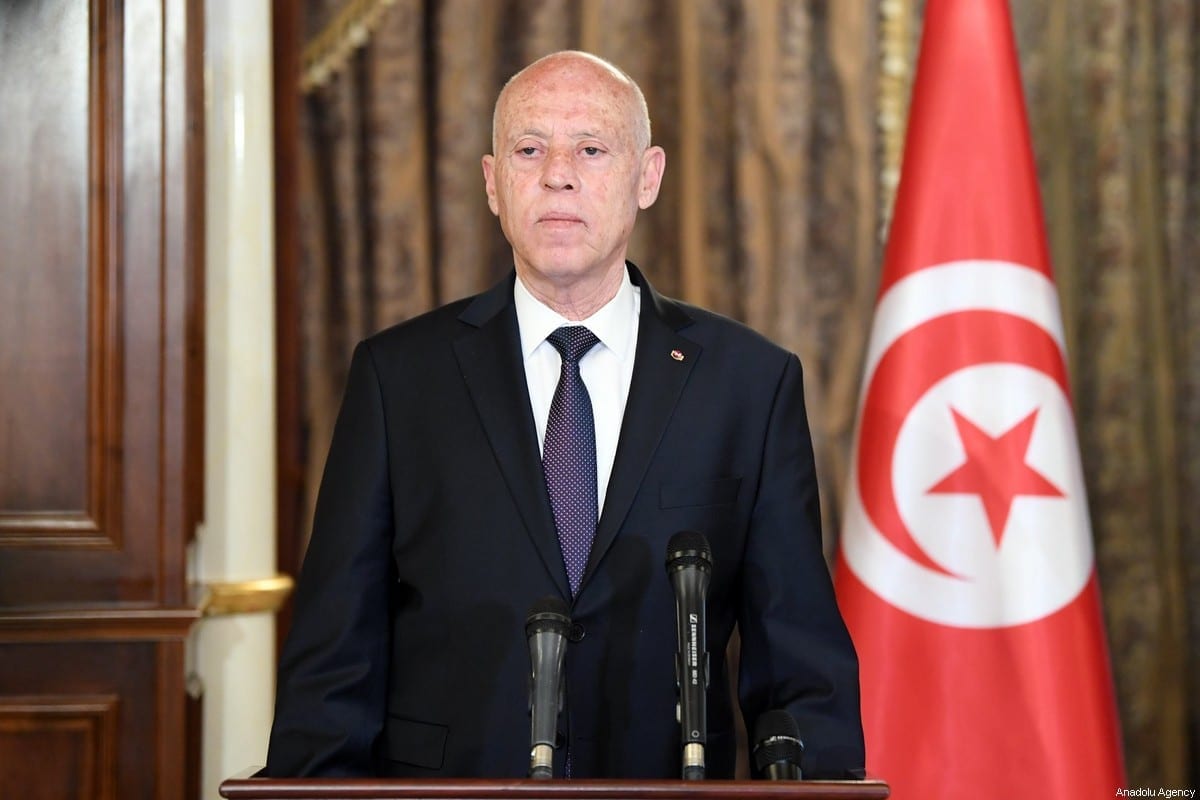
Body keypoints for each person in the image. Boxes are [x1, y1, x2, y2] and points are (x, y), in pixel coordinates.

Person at [264, 50, 864, 780]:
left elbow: (801, 669)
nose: (558, 174)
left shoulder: (748, 383)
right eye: (529, 149)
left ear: (648, 177)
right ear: (493, 183)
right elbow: (335, 657)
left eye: (591, 149)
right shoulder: (399, 378)